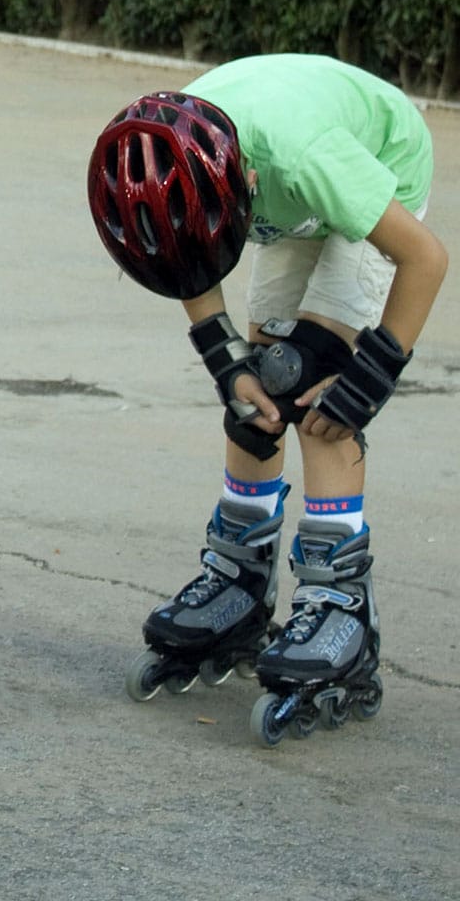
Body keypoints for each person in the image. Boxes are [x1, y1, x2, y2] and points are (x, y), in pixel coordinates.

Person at [86, 53, 447, 745]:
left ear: (242, 181)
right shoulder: (163, 149)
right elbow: (187, 250)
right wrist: (227, 365)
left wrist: (371, 375)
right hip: (290, 197)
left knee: (315, 395)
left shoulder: (308, 159)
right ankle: (239, 584)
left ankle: (339, 601)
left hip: (377, 163)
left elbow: (426, 258)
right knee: (257, 394)